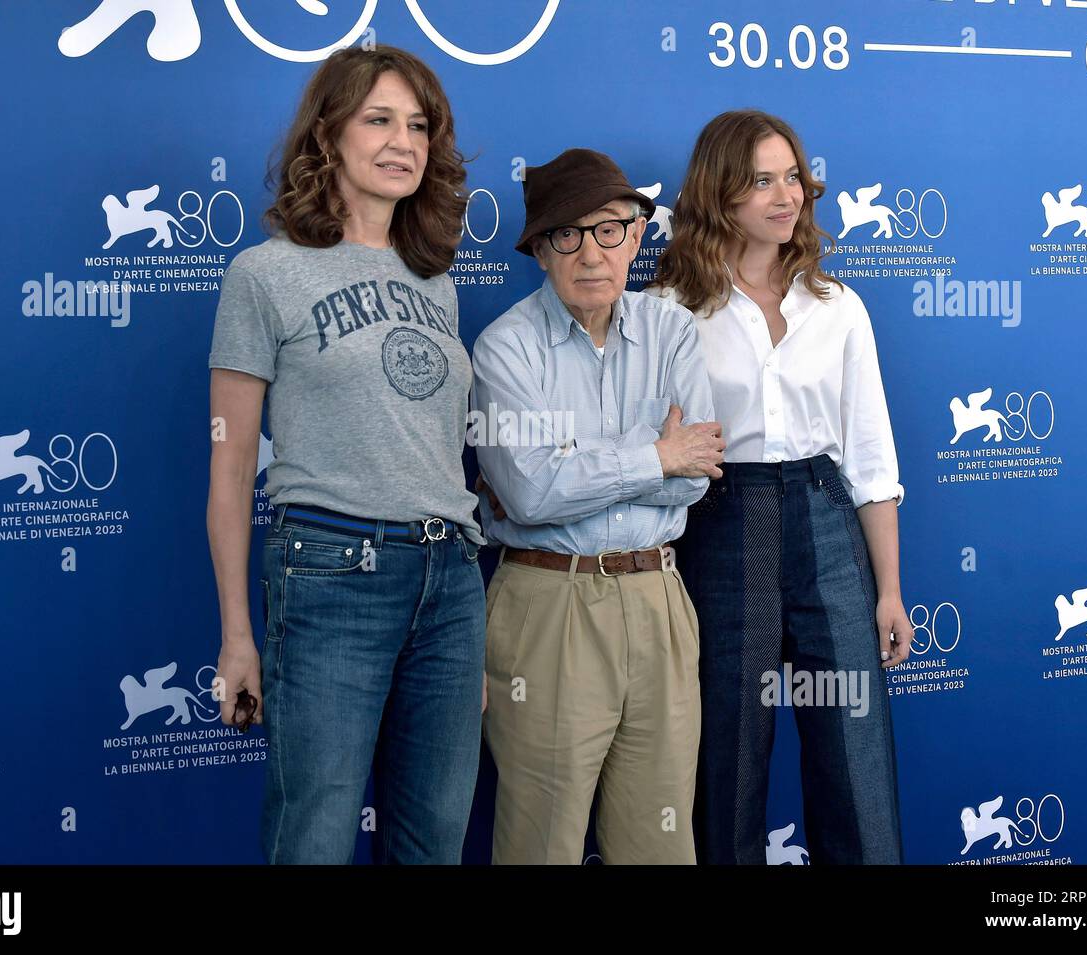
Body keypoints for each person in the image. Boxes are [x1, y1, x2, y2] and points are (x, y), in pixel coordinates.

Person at [205, 46, 486, 864]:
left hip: (450, 584)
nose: (404, 141)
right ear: (328, 133)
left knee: (432, 841)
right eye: (379, 119)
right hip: (331, 574)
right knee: (315, 839)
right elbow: (228, 471)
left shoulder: (437, 278)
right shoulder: (264, 275)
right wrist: (237, 634)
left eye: (419, 125)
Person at [652, 110, 914, 864]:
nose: (784, 194)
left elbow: (870, 458)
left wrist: (888, 589)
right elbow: (661, 446)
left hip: (827, 522)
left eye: (792, 176)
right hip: (724, 522)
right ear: (719, 192)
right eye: (760, 179)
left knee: (855, 751)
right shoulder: (672, 308)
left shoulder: (838, 307)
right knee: (727, 756)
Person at [470, 148, 724, 864]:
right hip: (549, 601)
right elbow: (526, 490)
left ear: (638, 235)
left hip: (658, 597)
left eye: (610, 229)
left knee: (661, 844)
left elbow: (696, 474)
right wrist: (654, 454)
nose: (591, 252)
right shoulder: (505, 349)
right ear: (540, 250)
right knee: (539, 844)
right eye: (567, 234)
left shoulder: (671, 331)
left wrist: (594, 467)